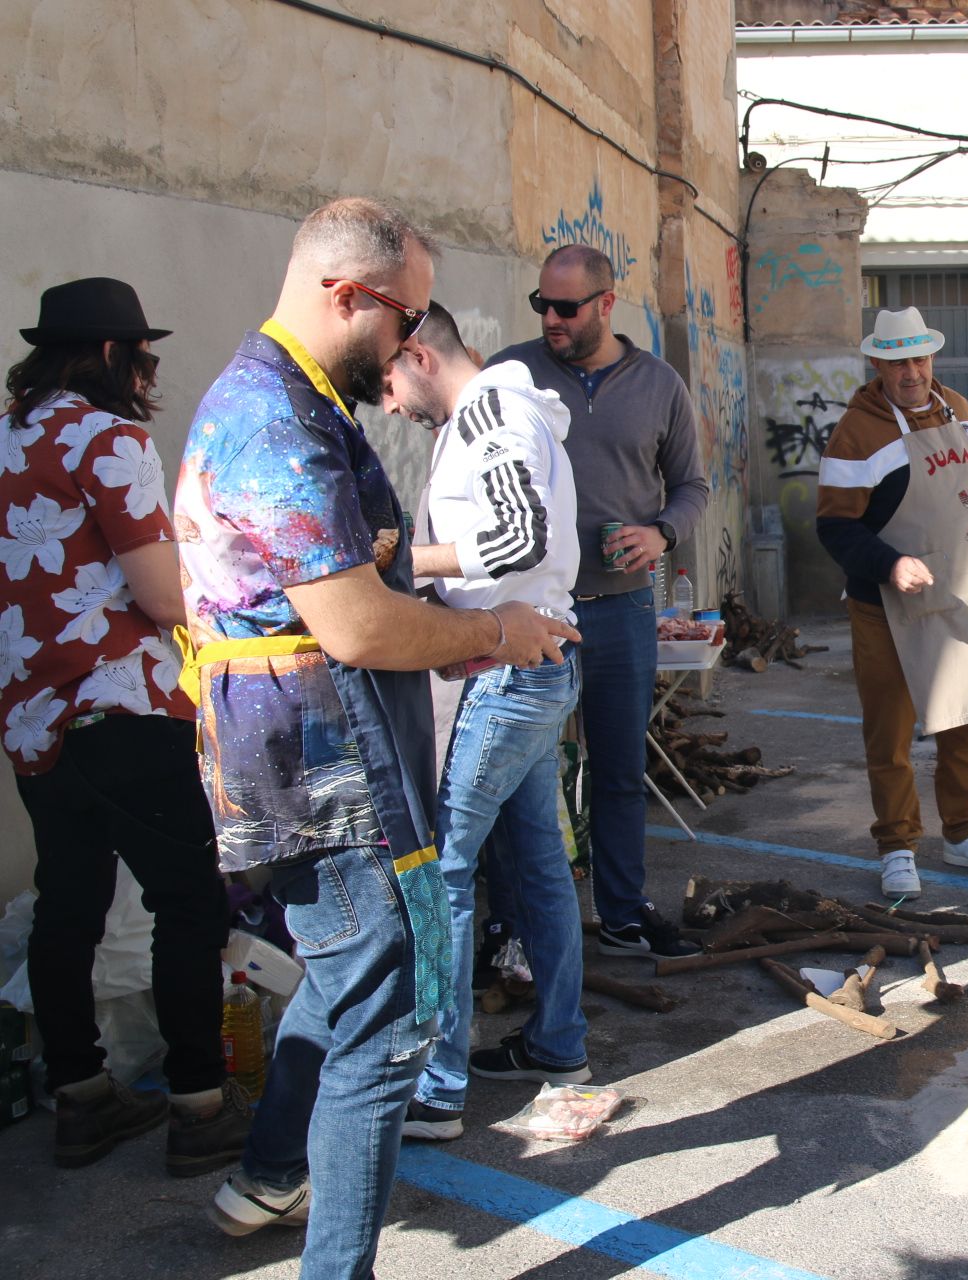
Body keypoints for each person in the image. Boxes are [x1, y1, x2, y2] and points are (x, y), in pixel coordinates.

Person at [176, 198, 577, 1272]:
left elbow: (360, 580)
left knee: (350, 985)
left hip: (326, 752)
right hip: (316, 768)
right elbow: (352, 621)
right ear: (346, 296)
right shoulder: (274, 419)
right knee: (383, 1014)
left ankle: (269, 1175)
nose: (411, 344)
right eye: (402, 318)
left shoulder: (304, 406)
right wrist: (492, 626)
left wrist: (448, 631)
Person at [1, 278, 250, 1175]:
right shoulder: (106, 438)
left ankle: (80, 1096)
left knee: (67, 903)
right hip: (121, 709)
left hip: (33, 719)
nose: (148, 372)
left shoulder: (9, 435)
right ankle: (197, 1107)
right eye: (142, 355)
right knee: (186, 899)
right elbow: (157, 592)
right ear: (112, 355)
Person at [380, 303, 590, 1141]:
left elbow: (516, 534)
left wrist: (394, 556)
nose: (390, 404)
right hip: (524, 666)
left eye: (390, 383)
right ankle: (557, 1045)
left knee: (441, 871)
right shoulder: (491, 415)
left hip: (512, 669)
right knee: (536, 862)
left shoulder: (494, 414)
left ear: (417, 355)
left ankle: (438, 1087)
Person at [490, 244, 710, 959]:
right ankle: (515, 925)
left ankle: (621, 912)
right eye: (542, 306)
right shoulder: (510, 376)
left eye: (566, 307)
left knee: (617, 769)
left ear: (606, 304)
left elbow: (691, 486)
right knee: (516, 772)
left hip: (619, 607)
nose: (551, 320)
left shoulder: (659, 385)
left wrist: (660, 532)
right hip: (530, 611)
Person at [816, 307, 968, 898]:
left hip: (963, 592)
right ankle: (898, 846)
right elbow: (834, 526)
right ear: (878, 363)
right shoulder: (857, 431)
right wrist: (889, 563)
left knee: (965, 724)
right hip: (886, 606)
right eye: (898, 361)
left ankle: (964, 834)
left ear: (932, 358)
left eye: (920, 358)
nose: (911, 372)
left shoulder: (958, 408)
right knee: (891, 734)